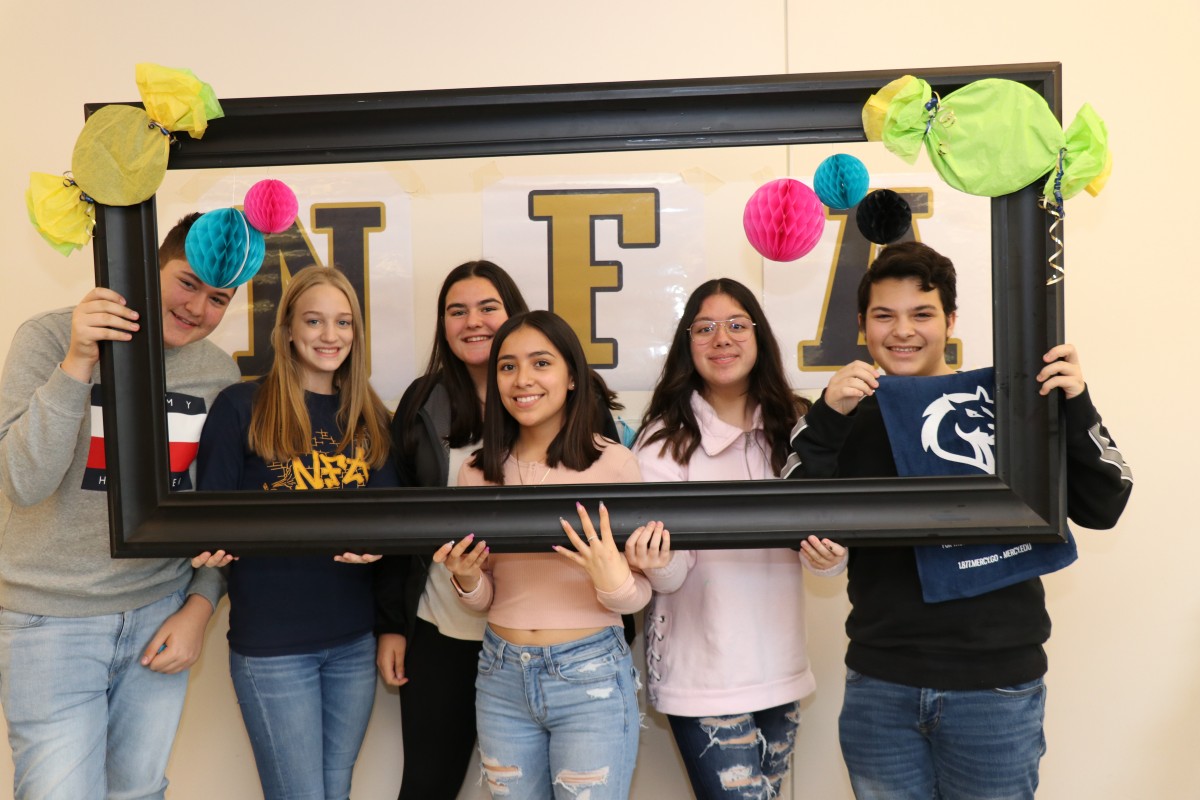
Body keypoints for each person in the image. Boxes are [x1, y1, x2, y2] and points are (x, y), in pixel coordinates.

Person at [785, 241, 1133, 799]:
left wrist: (1074, 403)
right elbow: (791, 516)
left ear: (949, 320)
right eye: (884, 315)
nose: (903, 331)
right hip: (881, 686)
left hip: (995, 687)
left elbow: (1106, 503)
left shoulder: (1007, 403)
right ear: (861, 324)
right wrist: (826, 415)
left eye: (921, 314)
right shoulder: (845, 413)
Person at [0, 212, 240, 799]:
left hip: (159, 611)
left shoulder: (219, 371)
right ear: (147, 268)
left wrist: (199, 608)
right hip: (48, 618)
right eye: (187, 282)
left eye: (219, 298)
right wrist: (79, 360)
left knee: (139, 791)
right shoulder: (50, 337)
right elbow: (22, 481)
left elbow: (219, 511)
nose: (197, 308)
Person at [374, 260, 625, 800]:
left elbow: (614, 536)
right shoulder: (424, 403)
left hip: (555, 641)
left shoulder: (585, 411)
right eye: (456, 310)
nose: (473, 322)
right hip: (444, 624)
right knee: (427, 782)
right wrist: (391, 623)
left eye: (488, 307)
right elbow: (400, 520)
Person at [622, 278, 846, 799]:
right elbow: (671, 575)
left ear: (759, 336)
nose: (721, 338)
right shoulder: (662, 440)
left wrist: (830, 557)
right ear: (687, 344)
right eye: (705, 328)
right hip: (703, 679)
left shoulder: (799, 426)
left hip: (783, 670)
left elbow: (825, 552)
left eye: (736, 325)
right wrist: (654, 560)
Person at [434, 310, 655, 800]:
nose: (523, 379)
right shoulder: (476, 471)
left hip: (591, 677)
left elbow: (638, 594)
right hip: (500, 674)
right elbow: (485, 594)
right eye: (508, 367)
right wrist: (468, 580)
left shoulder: (614, 463)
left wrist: (610, 577)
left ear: (572, 376)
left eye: (540, 363)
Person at [195, 265, 396, 800]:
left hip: (353, 641)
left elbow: (394, 518)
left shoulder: (371, 415)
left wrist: (380, 543)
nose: (331, 336)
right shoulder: (242, 407)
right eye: (314, 321)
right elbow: (208, 519)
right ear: (286, 330)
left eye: (344, 322)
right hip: (274, 647)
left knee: (335, 791)